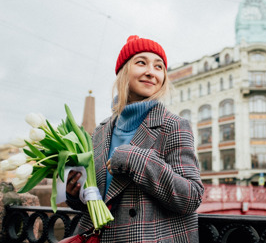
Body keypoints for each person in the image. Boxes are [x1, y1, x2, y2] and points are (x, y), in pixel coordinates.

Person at [66, 35, 204, 242]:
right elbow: (101, 197)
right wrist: (74, 193)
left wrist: (136, 160)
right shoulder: (101, 131)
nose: (151, 72)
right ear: (123, 72)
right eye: (141, 63)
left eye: (159, 67)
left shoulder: (174, 125)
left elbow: (191, 196)